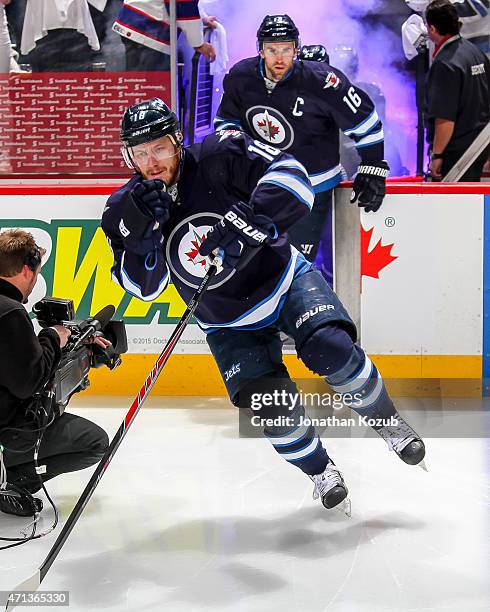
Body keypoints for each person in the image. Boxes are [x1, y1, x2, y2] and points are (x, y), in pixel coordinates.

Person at [101, 98, 425, 512]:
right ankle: (321, 471)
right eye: (141, 152)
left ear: (177, 141)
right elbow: (143, 288)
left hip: (283, 279)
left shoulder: (221, 153)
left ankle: (388, 423)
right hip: (226, 320)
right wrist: (142, 237)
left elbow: (293, 177)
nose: (152, 161)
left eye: (160, 147)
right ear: (129, 155)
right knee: (272, 405)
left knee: (331, 348)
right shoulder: (123, 208)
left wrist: (253, 220)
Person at [213, 14, 389, 272]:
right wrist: (237, 158)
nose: (280, 58)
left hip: (313, 191)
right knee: (258, 265)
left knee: (302, 265)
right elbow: (226, 123)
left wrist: (373, 167)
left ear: (296, 49)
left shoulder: (324, 82)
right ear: (260, 50)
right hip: (263, 188)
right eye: (272, 50)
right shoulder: (241, 77)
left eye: (286, 49)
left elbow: (365, 122)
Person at [0, 229, 109, 517]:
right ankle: (9, 482)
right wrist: (51, 337)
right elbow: (28, 382)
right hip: (5, 432)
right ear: (27, 269)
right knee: (94, 442)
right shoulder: (9, 312)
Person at [425, 0, 490, 180]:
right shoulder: (475, 52)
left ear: (432, 29)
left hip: (457, 154)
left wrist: (437, 156)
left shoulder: (445, 64)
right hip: (479, 147)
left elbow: (445, 118)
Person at [113, 0, 216, 72]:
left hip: (138, 22)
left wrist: (202, 17)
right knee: (148, 91)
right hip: (147, 29)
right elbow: (182, 4)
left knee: (141, 88)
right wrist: (198, 43)